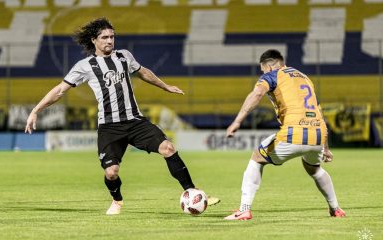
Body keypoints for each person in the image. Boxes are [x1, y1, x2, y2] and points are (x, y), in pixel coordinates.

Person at [25, 17, 219, 215]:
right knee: (111, 172)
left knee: (168, 147)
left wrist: (166, 86)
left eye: (112, 37)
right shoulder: (85, 66)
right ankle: (117, 200)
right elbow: (59, 90)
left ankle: (193, 191)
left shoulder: (124, 56)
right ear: (94, 40)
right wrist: (35, 110)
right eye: (105, 37)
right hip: (109, 127)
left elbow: (143, 72)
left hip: (135, 121)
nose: (110, 41)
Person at [224, 49, 345, 220]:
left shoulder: (273, 75)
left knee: (257, 158)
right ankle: (336, 209)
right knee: (314, 168)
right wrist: (325, 147)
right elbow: (319, 111)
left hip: (293, 132)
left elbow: (257, 93)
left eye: (263, 69)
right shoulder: (304, 77)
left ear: (271, 65)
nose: (263, 73)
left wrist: (237, 121)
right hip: (317, 133)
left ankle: (244, 209)